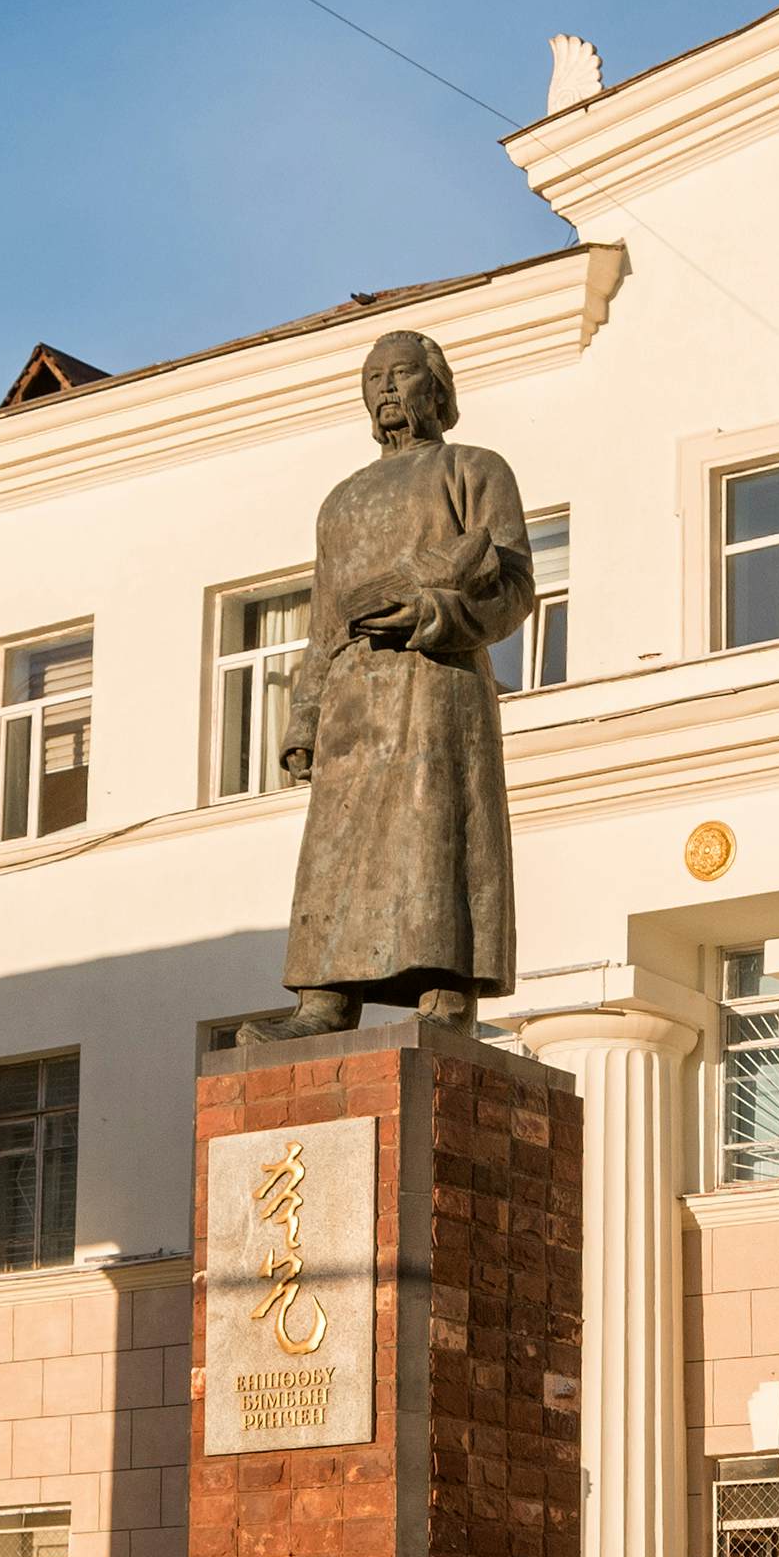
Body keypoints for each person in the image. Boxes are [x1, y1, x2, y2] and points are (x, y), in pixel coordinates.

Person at [248, 328, 534, 1037]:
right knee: (338, 844)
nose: (384, 389)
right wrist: (304, 716)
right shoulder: (341, 501)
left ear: (436, 390)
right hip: (352, 694)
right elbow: (321, 621)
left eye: (400, 374)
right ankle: (326, 998)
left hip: (435, 682)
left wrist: (435, 611)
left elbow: (516, 585)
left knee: (433, 824)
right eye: (373, 377)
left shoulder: (474, 469)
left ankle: (445, 985)